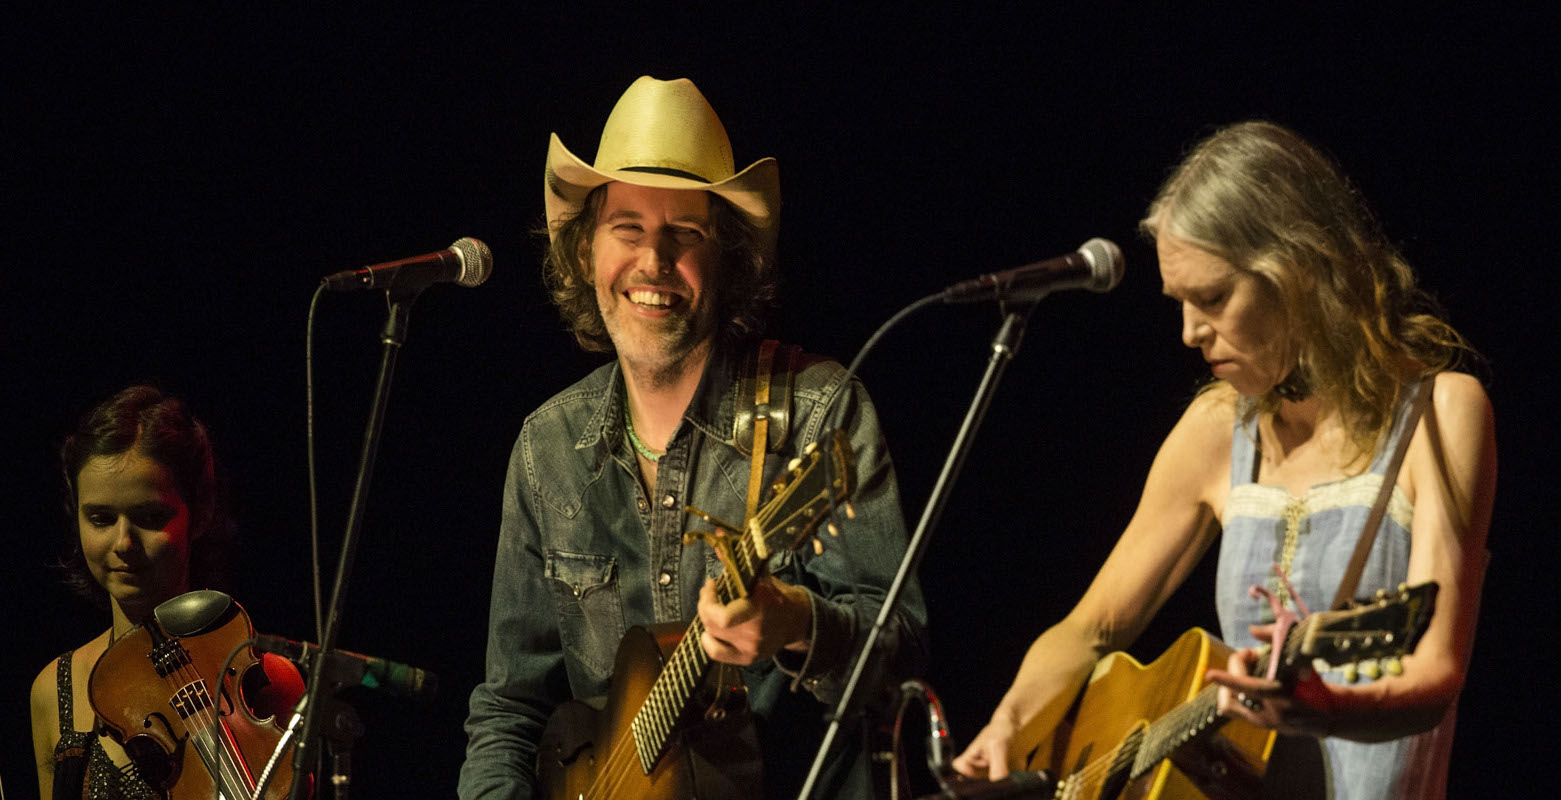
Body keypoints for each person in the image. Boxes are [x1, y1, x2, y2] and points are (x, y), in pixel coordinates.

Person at [951, 121, 1496, 799]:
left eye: (1212, 298)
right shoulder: (1215, 428)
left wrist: (1328, 710)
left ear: (1298, 271)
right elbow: (1092, 628)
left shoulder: (1439, 413)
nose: (1188, 332)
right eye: (1179, 303)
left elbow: (1438, 671)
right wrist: (1008, 723)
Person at [458, 76, 926, 799]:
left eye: (686, 232)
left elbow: (904, 660)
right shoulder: (546, 447)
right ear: (584, 254)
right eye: (628, 228)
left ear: (728, 259)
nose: (654, 260)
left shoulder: (819, 411)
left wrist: (796, 623)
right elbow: (509, 709)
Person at [29, 385, 236, 799]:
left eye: (150, 516)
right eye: (101, 519)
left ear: (201, 512)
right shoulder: (55, 689)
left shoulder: (254, 676)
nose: (124, 542)